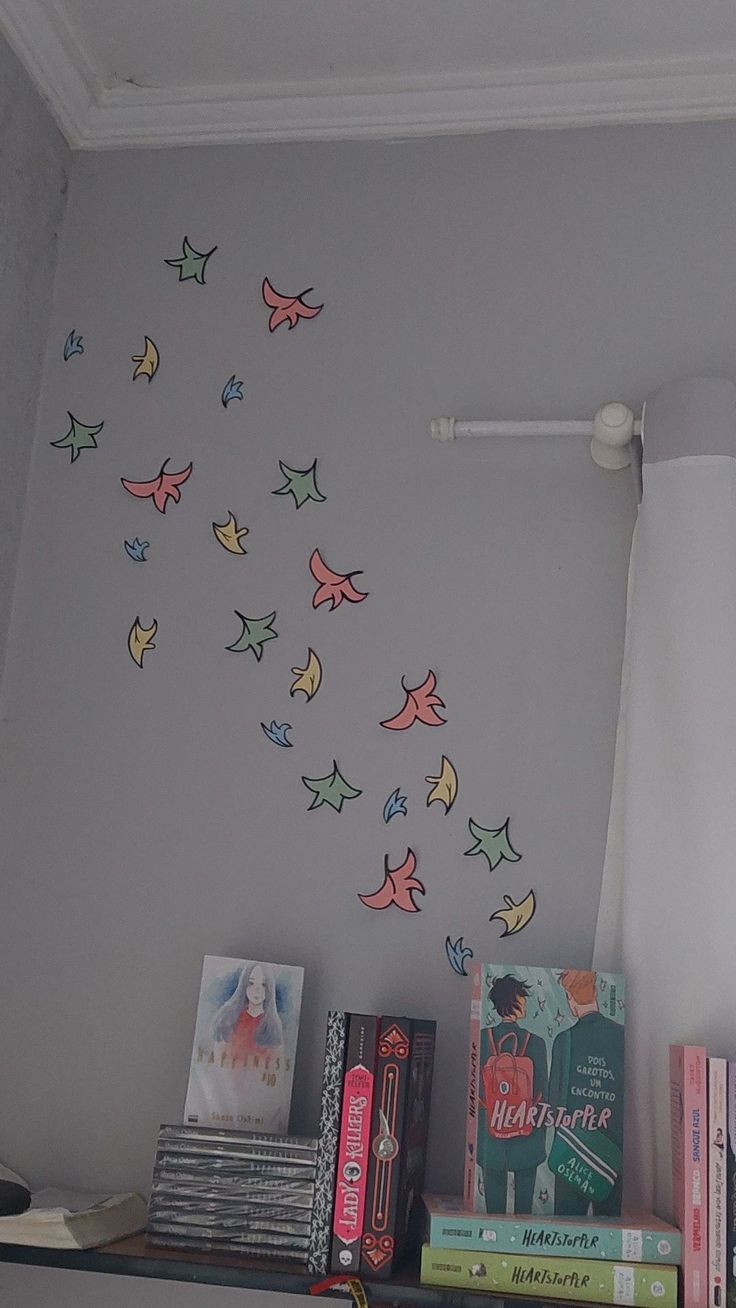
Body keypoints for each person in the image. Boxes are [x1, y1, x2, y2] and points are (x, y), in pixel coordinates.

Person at [548, 969, 624, 1216]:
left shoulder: (564, 1040)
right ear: (596, 993)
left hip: (573, 1150)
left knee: (567, 1228)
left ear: (570, 999)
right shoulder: (621, 1035)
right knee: (610, 1228)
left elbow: (553, 1102)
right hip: (613, 1155)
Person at [479, 973, 549, 1214]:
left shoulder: (481, 1039)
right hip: (526, 1139)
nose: (526, 1003)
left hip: (490, 1140)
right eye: (523, 998)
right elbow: (543, 1093)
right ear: (515, 1000)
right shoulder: (536, 1043)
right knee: (524, 1210)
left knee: (492, 1211)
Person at [211, 961, 284, 1060]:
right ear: (243, 985)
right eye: (251, 983)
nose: (257, 989)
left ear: (270, 989)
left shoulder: (273, 1026)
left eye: (263, 984)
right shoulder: (228, 1018)